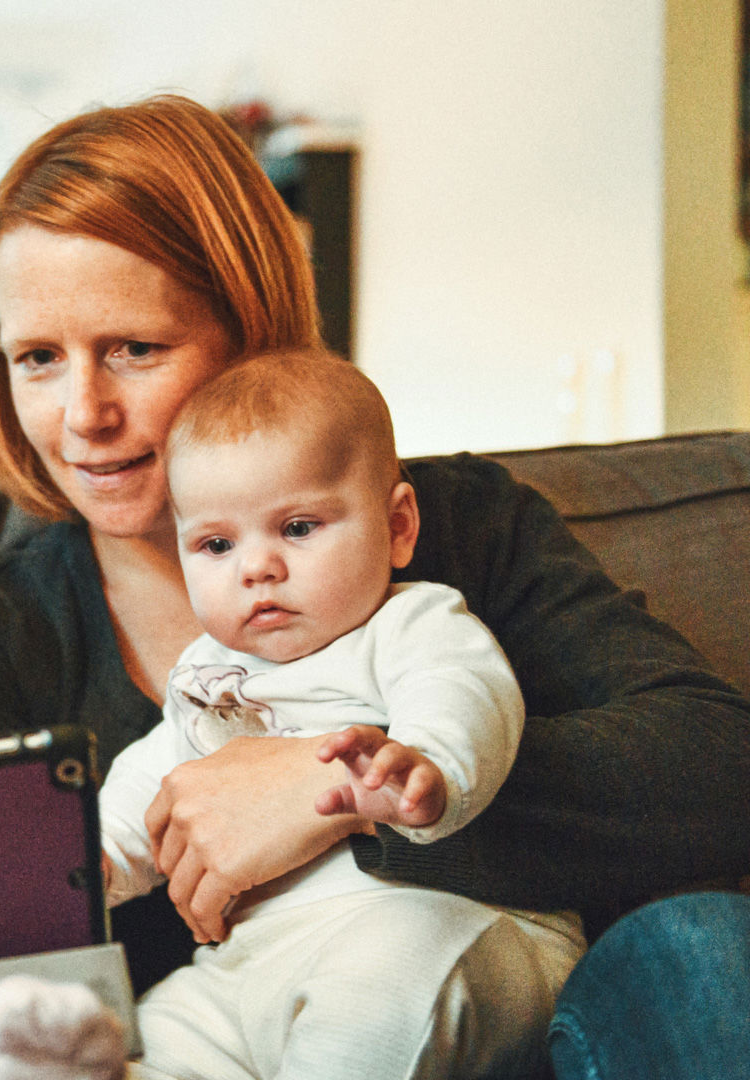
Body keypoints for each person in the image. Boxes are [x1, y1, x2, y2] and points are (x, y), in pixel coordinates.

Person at [0, 93, 750, 1078]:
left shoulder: (456, 527)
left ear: (248, 331)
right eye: (39, 359)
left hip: (516, 1020)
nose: (85, 413)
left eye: (136, 348)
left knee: (702, 945)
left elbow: (717, 764)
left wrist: (336, 786)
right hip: (220, 1035)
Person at [78, 346, 579, 1077]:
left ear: (398, 526)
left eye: (299, 528)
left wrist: (425, 765)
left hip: (441, 926)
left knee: (372, 1004)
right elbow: (153, 784)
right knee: (153, 1035)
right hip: (252, 963)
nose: (257, 567)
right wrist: (86, 863)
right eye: (216, 543)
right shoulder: (206, 676)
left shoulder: (410, 625)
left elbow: (465, 693)